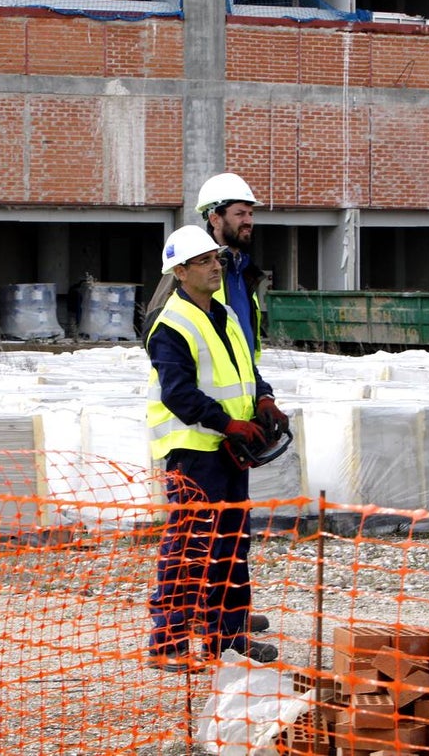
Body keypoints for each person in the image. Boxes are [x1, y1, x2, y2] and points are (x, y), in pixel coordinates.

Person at [144, 225, 290, 673]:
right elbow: (179, 394)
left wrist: (263, 398)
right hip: (194, 452)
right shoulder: (170, 325)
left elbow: (246, 369)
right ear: (181, 271)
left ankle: (226, 638)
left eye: (216, 259)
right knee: (189, 548)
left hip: (228, 450)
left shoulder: (223, 313)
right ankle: (167, 642)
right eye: (205, 261)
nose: (215, 267)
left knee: (231, 545)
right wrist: (228, 423)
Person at [143, 174, 269, 365]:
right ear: (215, 219)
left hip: (241, 385)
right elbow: (155, 330)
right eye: (240, 214)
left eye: (250, 214)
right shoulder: (190, 268)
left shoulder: (244, 271)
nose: (248, 221)